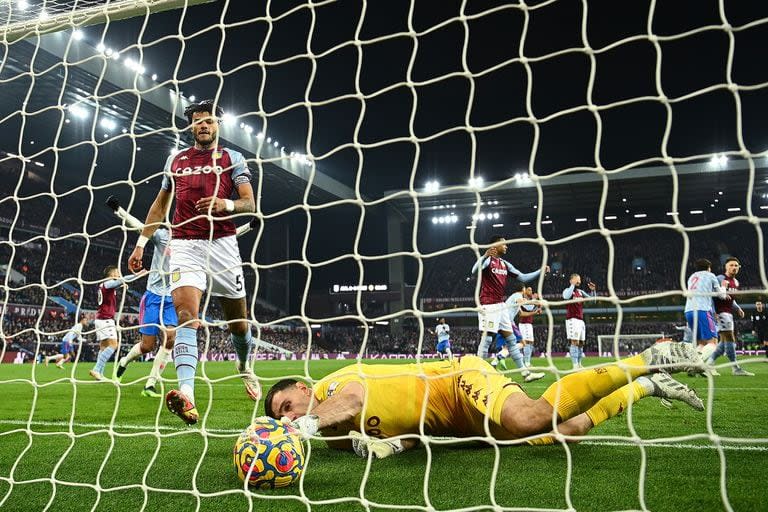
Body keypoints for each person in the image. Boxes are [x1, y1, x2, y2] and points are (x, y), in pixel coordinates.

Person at [264, 341, 704, 458]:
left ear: (302, 390)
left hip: (456, 381)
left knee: (530, 418)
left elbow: (354, 401)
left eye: (286, 406)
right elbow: (411, 435)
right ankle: (645, 386)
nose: (290, 415)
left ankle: (647, 359)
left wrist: (305, 424)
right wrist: (392, 446)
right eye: (283, 415)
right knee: (564, 432)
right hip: (456, 427)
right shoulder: (335, 440)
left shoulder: (330, 390)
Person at [126, 99, 260, 425]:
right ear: (191, 127)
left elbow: (249, 203)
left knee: (237, 322)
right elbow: (159, 208)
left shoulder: (233, 158)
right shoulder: (176, 160)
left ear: (217, 125)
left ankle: (243, 365)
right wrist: (141, 243)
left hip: (224, 244)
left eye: (209, 121)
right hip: (184, 244)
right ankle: (187, 393)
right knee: (187, 317)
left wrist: (225, 204)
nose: (203, 125)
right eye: (198, 121)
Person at [471, 234, 548, 383]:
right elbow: (475, 270)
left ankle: (526, 374)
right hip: (488, 305)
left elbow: (523, 277)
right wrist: (484, 255)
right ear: (495, 246)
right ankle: (477, 375)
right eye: (504, 244)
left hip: (501, 306)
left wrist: (540, 271)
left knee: (512, 340)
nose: (507, 246)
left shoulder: (505, 264)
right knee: (487, 340)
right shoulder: (488, 261)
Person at [91, 266, 148, 381]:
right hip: (106, 319)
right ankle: (96, 369)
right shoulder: (107, 283)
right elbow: (120, 280)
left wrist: (121, 284)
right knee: (113, 345)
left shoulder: (103, 285)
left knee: (104, 347)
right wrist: (137, 275)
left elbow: (116, 285)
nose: (118, 274)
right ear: (111, 274)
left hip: (100, 319)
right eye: (117, 272)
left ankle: (99, 374)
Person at [706, 257, 753, 376]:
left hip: (728, 313)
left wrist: (738, 308)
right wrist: (713, 311)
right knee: (730, 338)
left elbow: (731, 299)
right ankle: (735, 368)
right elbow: (711, 296)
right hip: (721, 312)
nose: (734, 267)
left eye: (736, 266)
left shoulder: (735, 282)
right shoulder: (720, 279)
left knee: (723, 343)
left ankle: (708, 365)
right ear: (726, 267)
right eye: (731, 265)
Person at [684, 258, 727, 372]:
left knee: (701, 343)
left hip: (689, 311)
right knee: (713, 342)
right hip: (702, 309)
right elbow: (722, 296)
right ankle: (696, 366)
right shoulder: (710, 275)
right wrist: (724, 286)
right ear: (708, 268)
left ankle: (697, 365)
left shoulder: (691, 277)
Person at [562, 274, 597, 369]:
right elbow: (566, 297)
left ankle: (579, 363)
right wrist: (572, 285)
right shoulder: (567, 291)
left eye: (579, 279)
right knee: (574, 342)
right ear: (571, 280)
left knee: (581, 342)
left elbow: (593, 301)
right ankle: (574, 365)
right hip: (572, 319)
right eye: (577, 279)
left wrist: (593, 291)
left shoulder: (580, 292)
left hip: (581, 320)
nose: (579, 281)